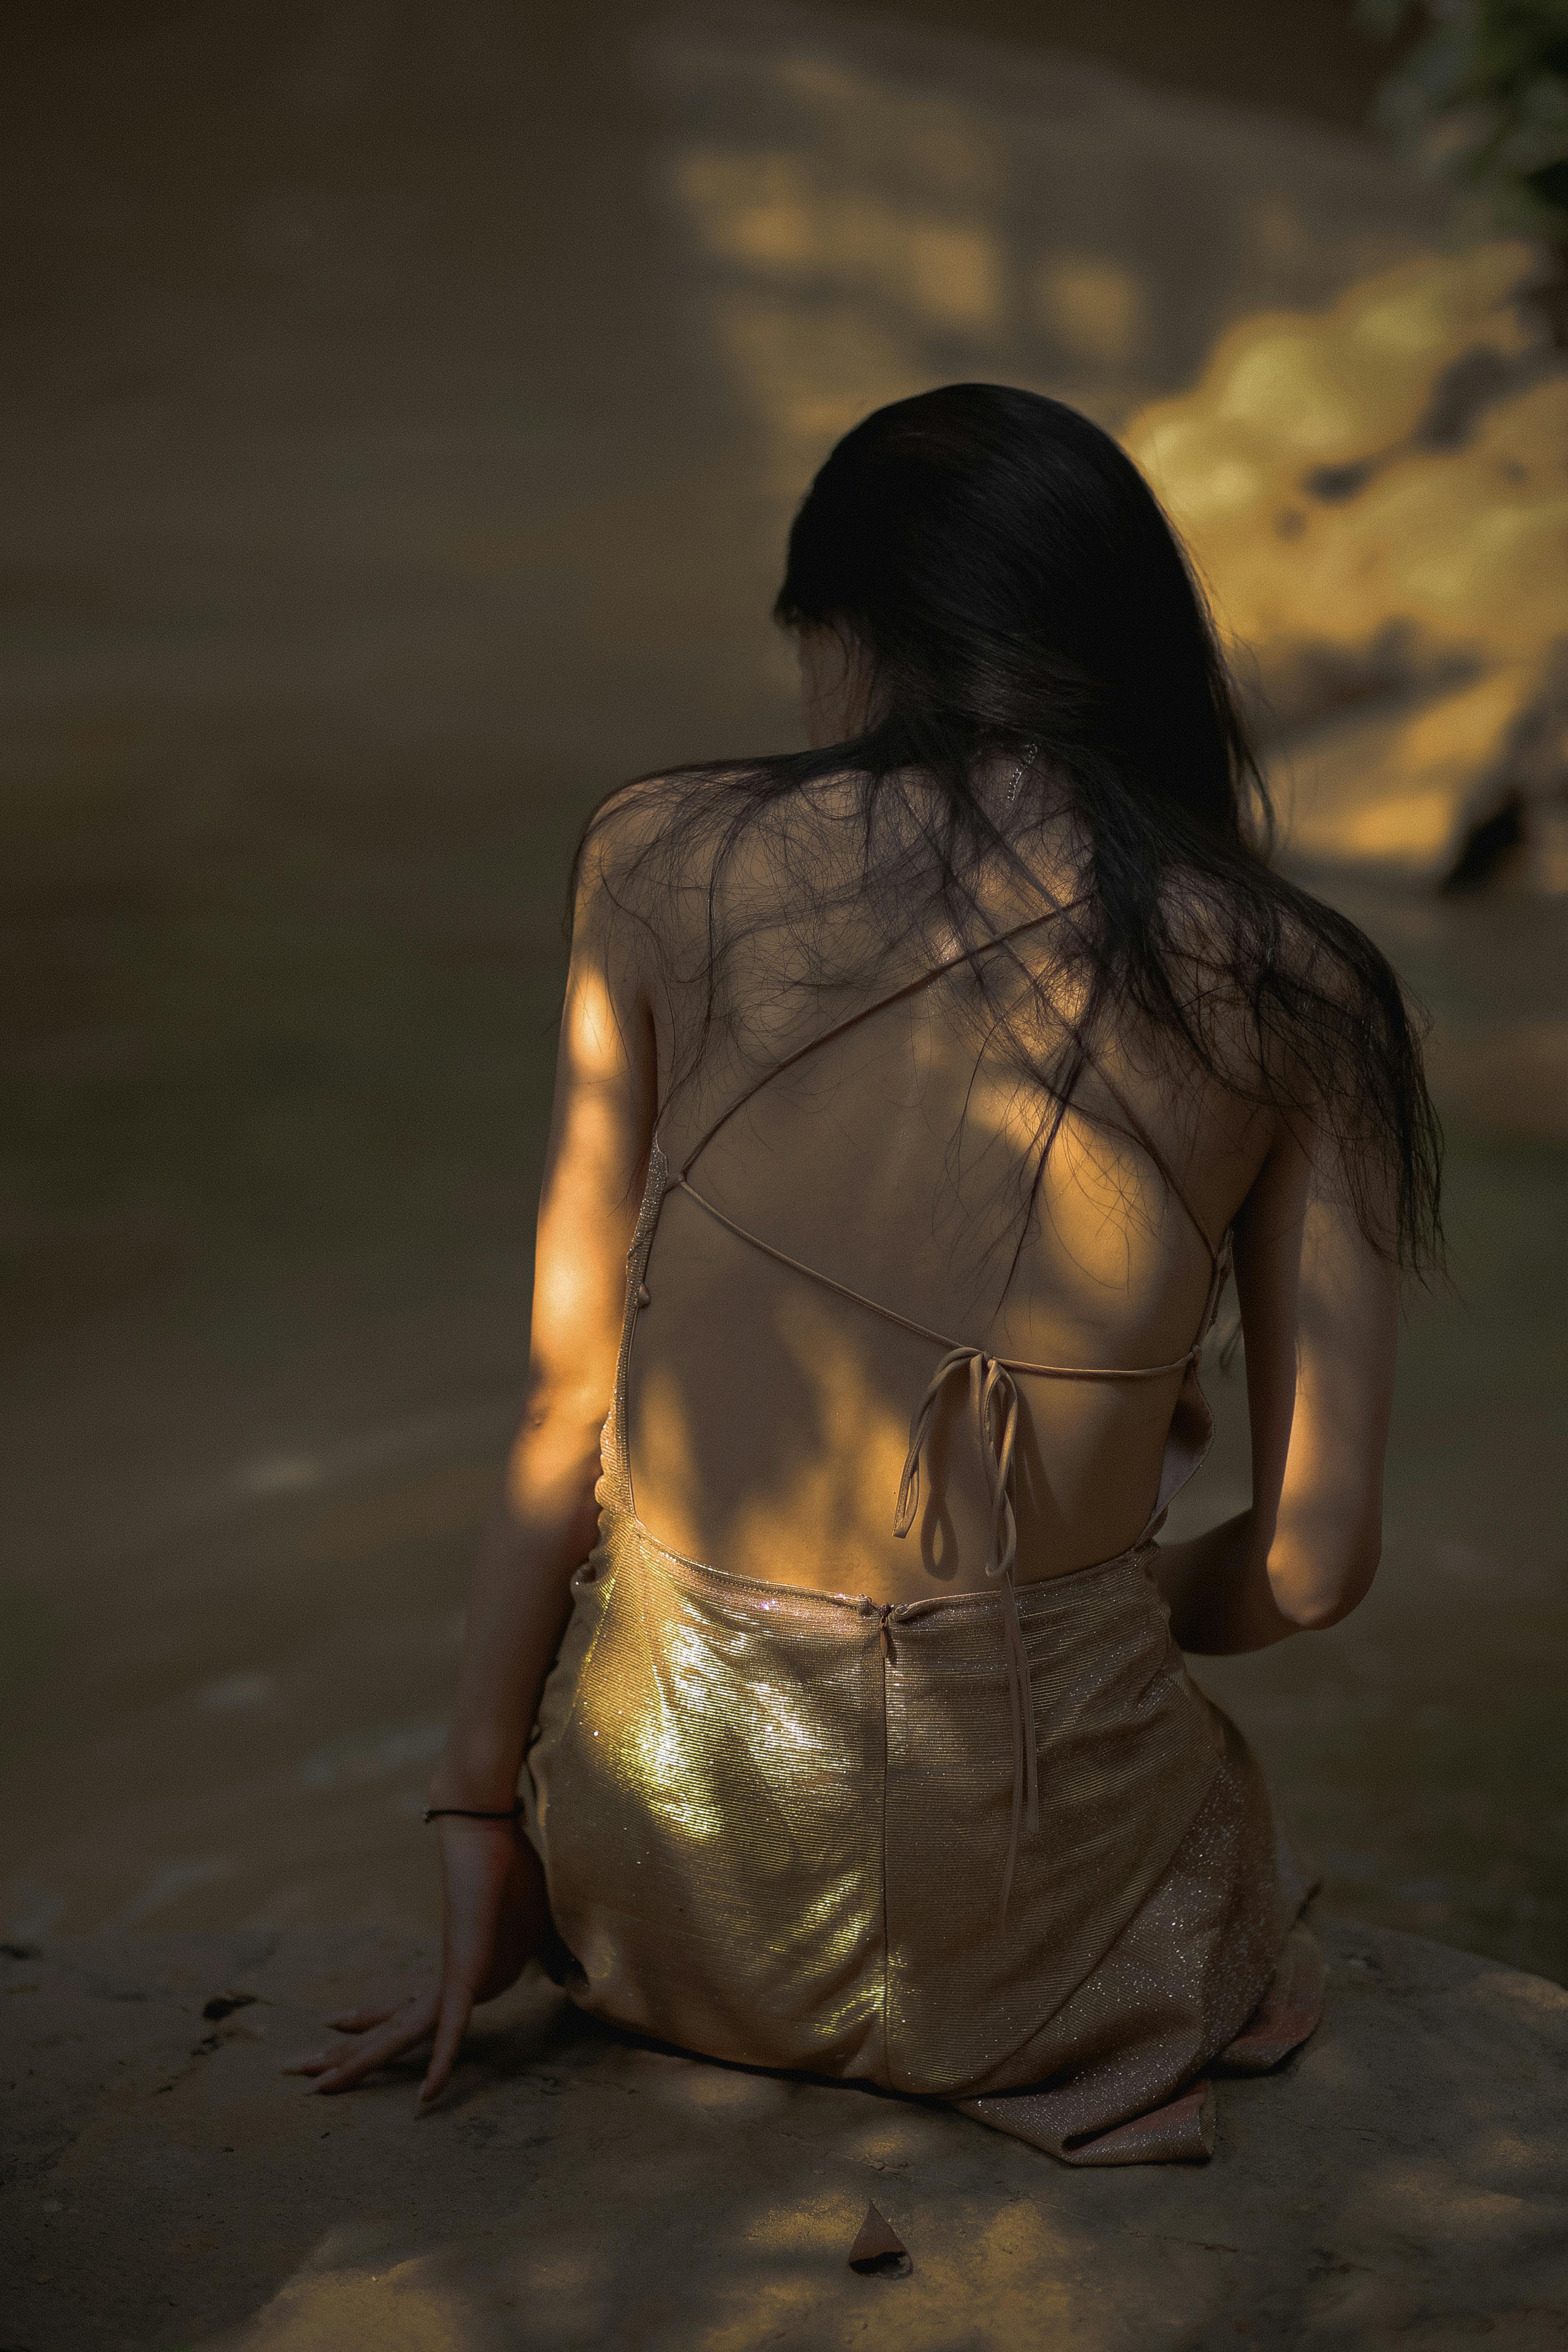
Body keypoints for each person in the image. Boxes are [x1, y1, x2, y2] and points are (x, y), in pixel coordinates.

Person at [288, 386, 1441, 2160]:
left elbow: (564, 1398)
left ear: (858, 636)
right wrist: (1089, 1620)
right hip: (1045, 1945)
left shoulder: (663, 855)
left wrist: (477, 1819)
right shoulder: (1303, 986)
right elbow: (1317, 1561)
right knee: (1184, 1795)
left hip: (664, 1899)